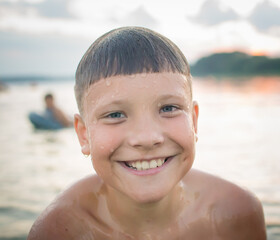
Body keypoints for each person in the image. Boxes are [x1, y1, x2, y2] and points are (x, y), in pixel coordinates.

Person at [27, 27, 266, 239]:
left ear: (194, 121)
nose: (146, 137)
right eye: (115, 115)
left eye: (169, 108)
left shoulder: (235, 213)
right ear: (83, 134)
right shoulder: (58, 231)